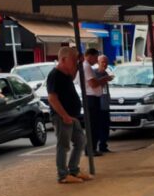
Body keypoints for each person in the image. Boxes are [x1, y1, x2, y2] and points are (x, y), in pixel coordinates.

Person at [47, 46, 92, 184]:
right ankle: (62, 175)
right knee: (63, 145)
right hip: (62, 116)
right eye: (73, 60)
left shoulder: (66, 74)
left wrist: (78, 64)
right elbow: (52, 98)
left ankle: (74, 169)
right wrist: (64, 115)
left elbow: (73, 75)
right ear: (63, 60)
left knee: (81, 141)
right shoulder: (54, 75)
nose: (75, 63)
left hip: (72, 116)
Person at [82, 48, 112, 157]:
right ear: (90, 56)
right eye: (96, 58)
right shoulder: (87, 67)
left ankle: (92, 148)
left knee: (96, 125)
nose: (96, 61)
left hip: (94, 98)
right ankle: (91, 149)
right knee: (93, 125)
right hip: (91, 98)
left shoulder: (88, 67)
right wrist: (105, 79)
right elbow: (93, 84)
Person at [96, 54, 113, 153]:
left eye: (106, 62)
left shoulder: (105, 73)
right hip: (99, 105)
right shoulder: (96, 73)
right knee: (100, 126)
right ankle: (98, 145)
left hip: (106, 104)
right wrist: (106, 79)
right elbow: (95, 85)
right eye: (103, 62)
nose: (105, 64)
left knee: (106, 126)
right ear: (98, 62)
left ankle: (103, 145)